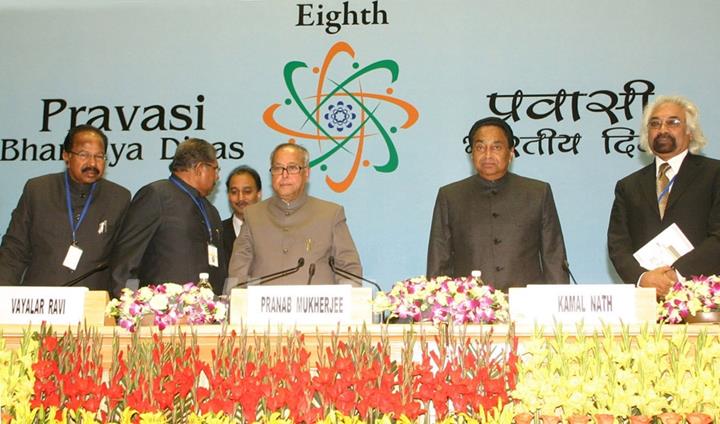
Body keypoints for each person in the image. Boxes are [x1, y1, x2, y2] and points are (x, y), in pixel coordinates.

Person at [426, 116, 569, 291]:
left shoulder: (537, 193)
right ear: (471, 154)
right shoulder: (450, 196)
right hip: (470, 307)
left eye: (496, 147)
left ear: (511, 153)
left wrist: (558, 306)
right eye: (480, 147)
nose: (487, 155)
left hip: (526, 304)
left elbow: (553, 257)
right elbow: (439, 261)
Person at [608, 95, 720, 297]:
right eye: (655, 124)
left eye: (673, 122)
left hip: (704, 298)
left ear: (690, 131)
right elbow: (618, 245)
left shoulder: (714, 174)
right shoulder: (628, 186)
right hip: (646, 301)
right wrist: (644, 278)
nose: (662, 130)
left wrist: (676, 275)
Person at [0, 125, 130, 290]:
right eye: (83, 155)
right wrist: (3, 294)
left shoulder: (119, 197)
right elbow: (14, 250)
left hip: (90, 302)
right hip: (40, 300)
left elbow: (123, 260)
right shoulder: (38, 190)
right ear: (66, 156)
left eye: (99, 156)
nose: (92, 163)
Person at [225, 143, 362, 291]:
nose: (284, 175)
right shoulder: (253, 215)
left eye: (292, 168)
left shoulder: (331, 214)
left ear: (307, 172)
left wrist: (349, 307)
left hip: (317, 312)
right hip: (266, 312)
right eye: (278, 168)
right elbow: (237, 274)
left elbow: (349, 270)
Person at [110, 138, 227, 296]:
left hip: (208, 314)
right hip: (163, 314)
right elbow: (126, 261)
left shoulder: (211, 211)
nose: (217, 176)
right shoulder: (156, 195)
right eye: (215, 169)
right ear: (200, 168)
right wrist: (126, 308)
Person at [222, 166, 262, 261]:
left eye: (247, 191)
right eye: (234, 192)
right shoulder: (217, 233)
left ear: (258, 194)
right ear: (228, 195)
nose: (240, 198)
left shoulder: (273, 231)